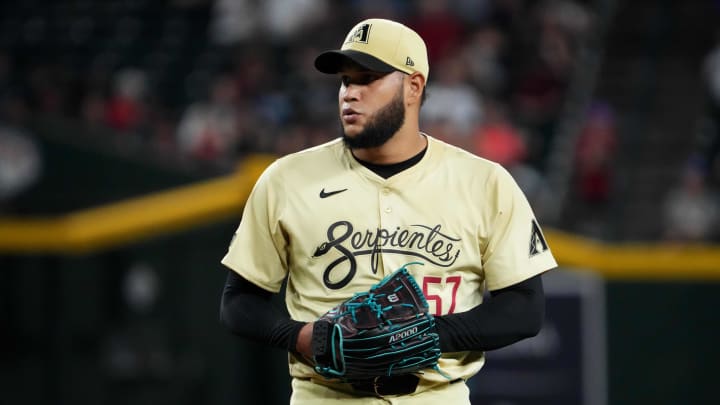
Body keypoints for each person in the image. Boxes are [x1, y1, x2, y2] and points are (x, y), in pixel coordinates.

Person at [219, 18, 557, 404]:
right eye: (345, 81)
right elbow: (238, 302)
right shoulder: (285, 179)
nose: (350, 93)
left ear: (413, 86)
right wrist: (299, 338)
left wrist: (426, 334)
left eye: (367, 79)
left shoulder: (484, 182)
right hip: (325, 396)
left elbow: (525, 308)